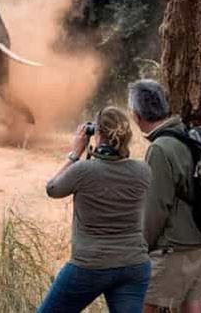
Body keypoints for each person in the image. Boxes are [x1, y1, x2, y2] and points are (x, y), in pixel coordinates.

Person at [37, 106, 152, 313]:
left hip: (89, 265)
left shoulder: (83, 171)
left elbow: (52, 188)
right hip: (134, 264)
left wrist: (75, 154)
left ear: (97, 135)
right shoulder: (143, 171)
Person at [127, 79, 201, 313]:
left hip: (175, 247)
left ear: (137, 115)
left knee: (139, 303)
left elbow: (155, 208)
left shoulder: (160, 148)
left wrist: (139, 249)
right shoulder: (189, 136)